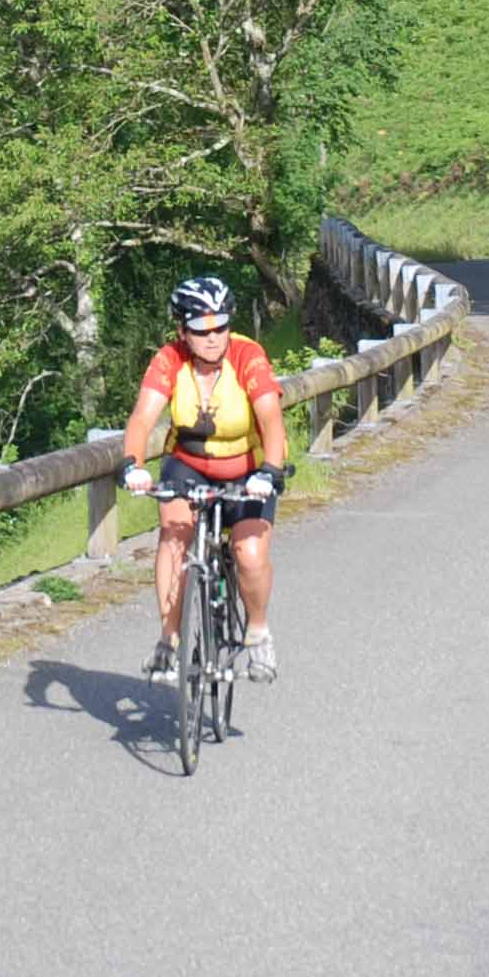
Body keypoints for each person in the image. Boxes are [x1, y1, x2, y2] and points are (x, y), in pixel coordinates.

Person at [118, 273, 286, 684]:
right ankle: (169, 640)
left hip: (248, 467)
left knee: (248, 553)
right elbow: (142, 417)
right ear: (182, 331)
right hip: (188, 463)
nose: (213, 338)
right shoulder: (169, 359)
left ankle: (259, 632)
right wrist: (133, 464)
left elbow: (271, 419)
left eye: (221, 327)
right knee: (174, 538)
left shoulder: (248, 355)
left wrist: (271, 471)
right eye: (200, 330)